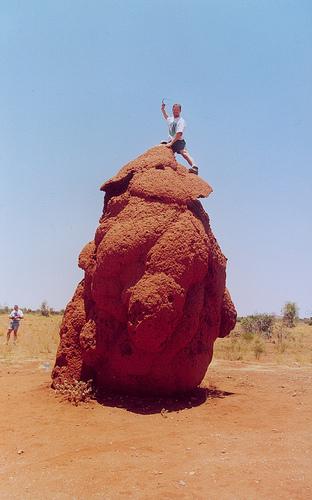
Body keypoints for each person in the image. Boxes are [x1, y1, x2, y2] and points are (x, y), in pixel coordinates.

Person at [161, 101, 198, 175]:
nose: (176, 111)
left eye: (177, 110)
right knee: (163, 148)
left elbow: (179, 134)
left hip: (178, 141)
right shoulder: (171, 119)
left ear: (180, 111)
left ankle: (194, 167)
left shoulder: (181, 121)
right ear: (172, 110)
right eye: (174, 110)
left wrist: (171, 143)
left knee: (184, 153)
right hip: (171, 141)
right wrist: (163, 109)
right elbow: (166, 117)